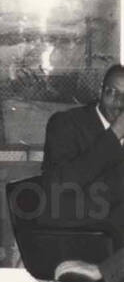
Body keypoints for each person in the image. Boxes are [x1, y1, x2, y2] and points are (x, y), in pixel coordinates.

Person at [41, 64, 124, 240]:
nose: (119, 104)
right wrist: (114, 134)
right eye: (112, 92)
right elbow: (61, 184)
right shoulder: (66, 124)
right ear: (100, 91)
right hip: (82, 235)